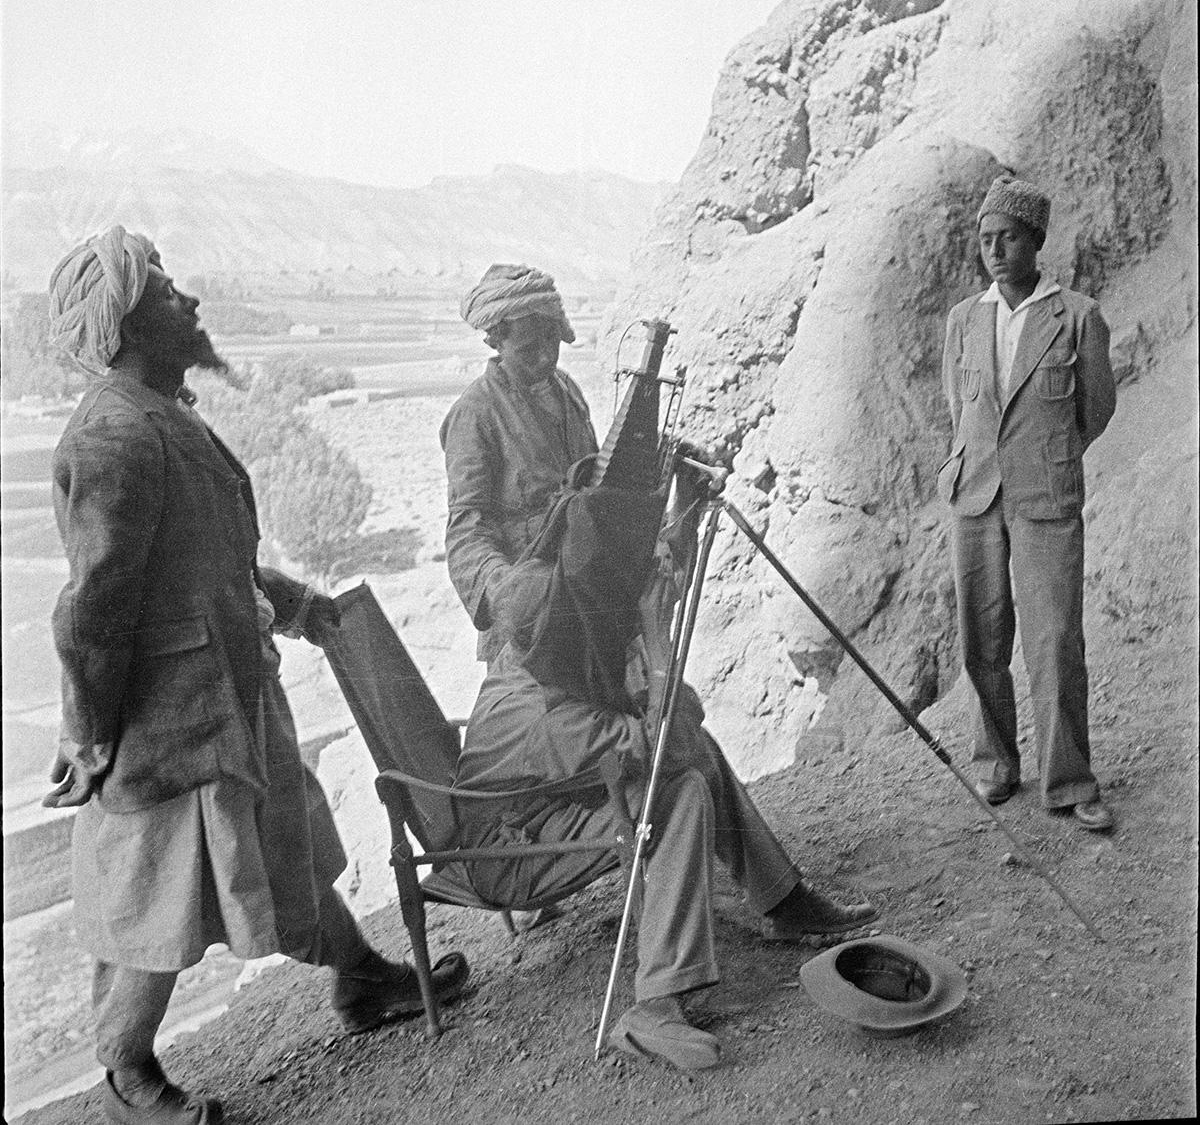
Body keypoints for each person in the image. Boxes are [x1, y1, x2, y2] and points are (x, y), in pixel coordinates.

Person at [44, 227, 469, 1125]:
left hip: (232, 699)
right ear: (124, 318)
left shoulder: (163, 415)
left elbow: (211, 564)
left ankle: (362, 983)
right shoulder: (117, 434)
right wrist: (90, 738)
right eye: (163, 289)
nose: (186, 301)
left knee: (294, 848)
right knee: (154, 909)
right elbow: (92, 613)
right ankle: (126, 1075)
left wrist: (298, 604)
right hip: (165, 728)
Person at [439, 263, 877, 1071]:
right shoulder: (474, 415)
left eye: (551, 340)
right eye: (530, 343)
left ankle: (779, 897)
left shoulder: (566, 394)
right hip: (535, 628)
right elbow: (465, 533)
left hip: (585, 611)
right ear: (496, 338)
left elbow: (596, 494)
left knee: (678, 737)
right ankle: (665, 989)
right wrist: (513, 591)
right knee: (664, 744)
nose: (544, 356)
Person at [938, 177, 1117, 831]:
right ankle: (996, 764)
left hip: (1046, 495)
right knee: (982, 638)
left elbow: (1093, 409)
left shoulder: (1076, 315)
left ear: (1034, 241)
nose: (995, 250)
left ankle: (1068, 781)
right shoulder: (964, 318)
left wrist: (1048, 454)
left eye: (1007, 237)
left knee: (1055, 639)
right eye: (986, 239)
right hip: (976, 496)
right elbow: (960, 409)